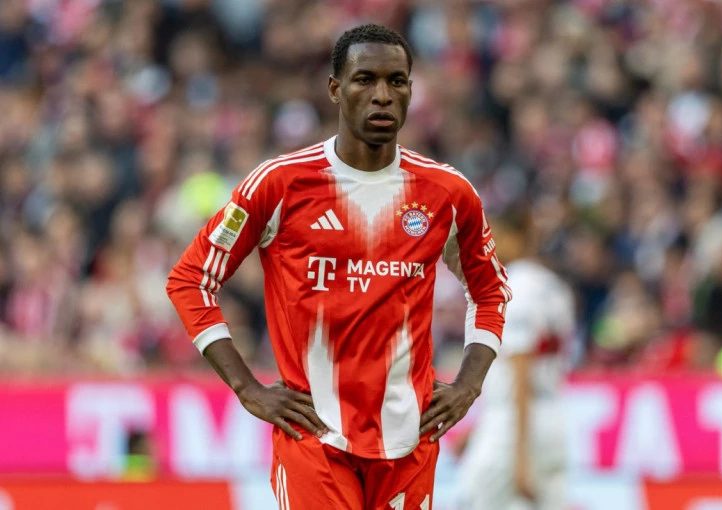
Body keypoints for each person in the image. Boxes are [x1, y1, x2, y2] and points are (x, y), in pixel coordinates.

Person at [166, 24, 511, 510]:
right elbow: (191, 279)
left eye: (396, 81)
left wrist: (470, 385)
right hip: (314, 440)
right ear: (335, 88)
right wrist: (246, 388)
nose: (382, 95)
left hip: (409, 442)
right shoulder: (280, 183)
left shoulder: (447, 193)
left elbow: (491, 290)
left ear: (411, 91)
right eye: (365, 79)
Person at [456, 214, 575, 510]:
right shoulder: (555, 287)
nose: (486, 246)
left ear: (515, 238)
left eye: (492, 237)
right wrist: (478, 428)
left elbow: (521, 367)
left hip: (513, 426)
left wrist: (520, 456)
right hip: (552, 418)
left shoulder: (513, 288)